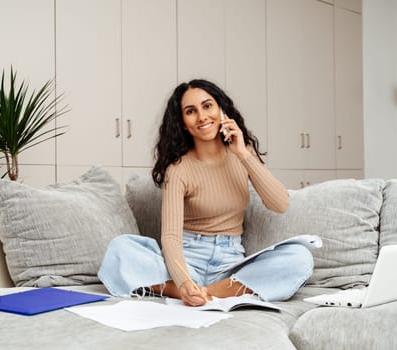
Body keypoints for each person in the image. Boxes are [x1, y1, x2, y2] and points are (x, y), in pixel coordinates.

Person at [98, 79, 313, 306]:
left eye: (207, 106)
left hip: (230, 265)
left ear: (221, 109)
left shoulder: (243, 153)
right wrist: (183, 281)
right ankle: (191, 290)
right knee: (120, 249)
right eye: (191, 111)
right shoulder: (178, 168)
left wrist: (243, 153)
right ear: (182, 123)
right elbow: (170, 237)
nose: (202, 116)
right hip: (188, 258)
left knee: (300, 258)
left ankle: (203, 293)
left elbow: (280, 204)